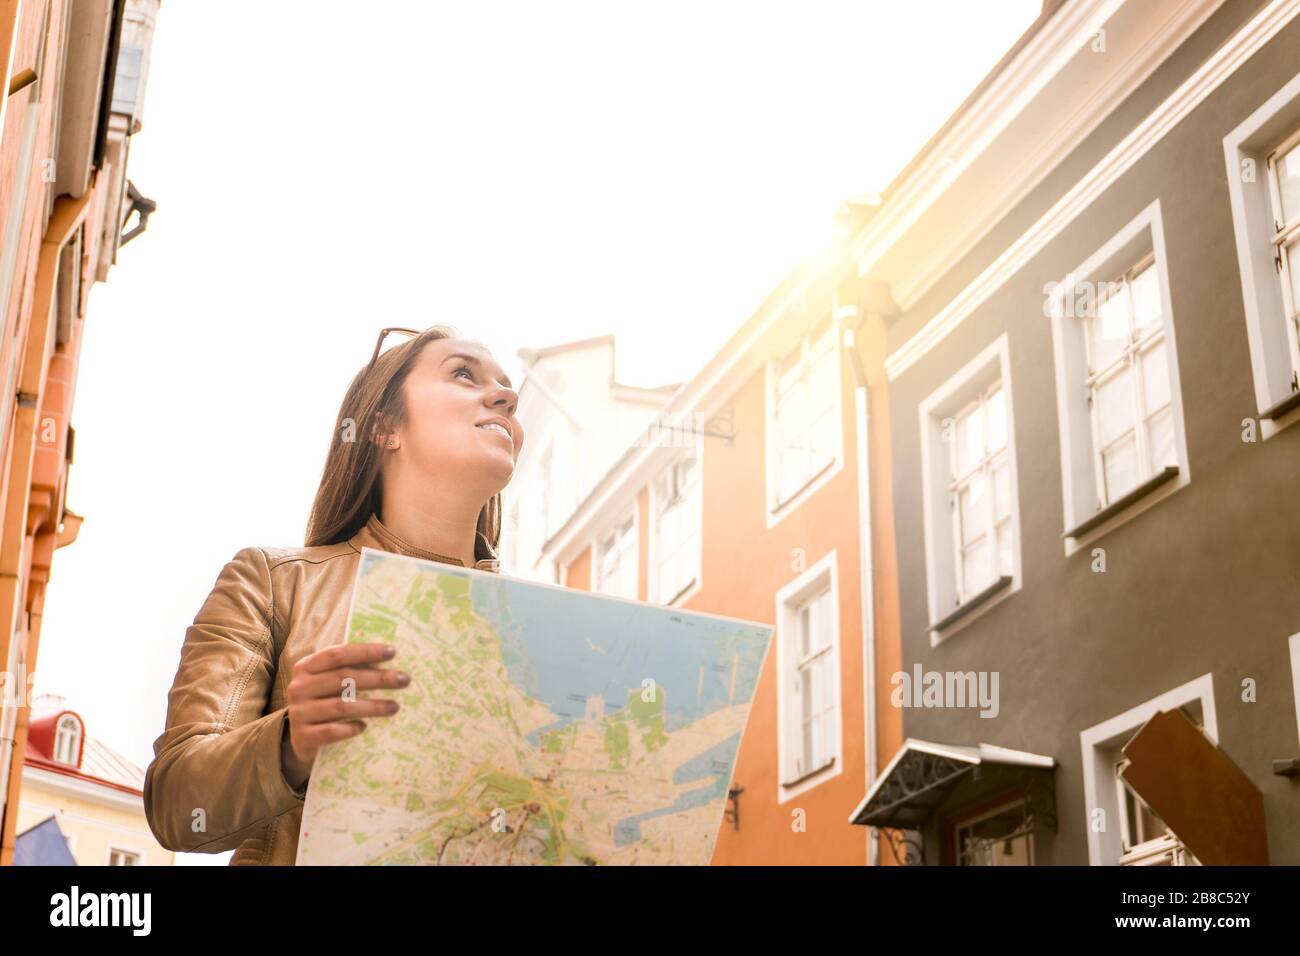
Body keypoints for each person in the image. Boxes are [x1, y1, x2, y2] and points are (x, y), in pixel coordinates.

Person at [142, 326, 524, 865]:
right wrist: (290, 744)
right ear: (384, 427)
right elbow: (176, 807)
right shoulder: (272, 583)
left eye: (509, 389)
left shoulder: (546, 634)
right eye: (464, 373)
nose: (507, 397)